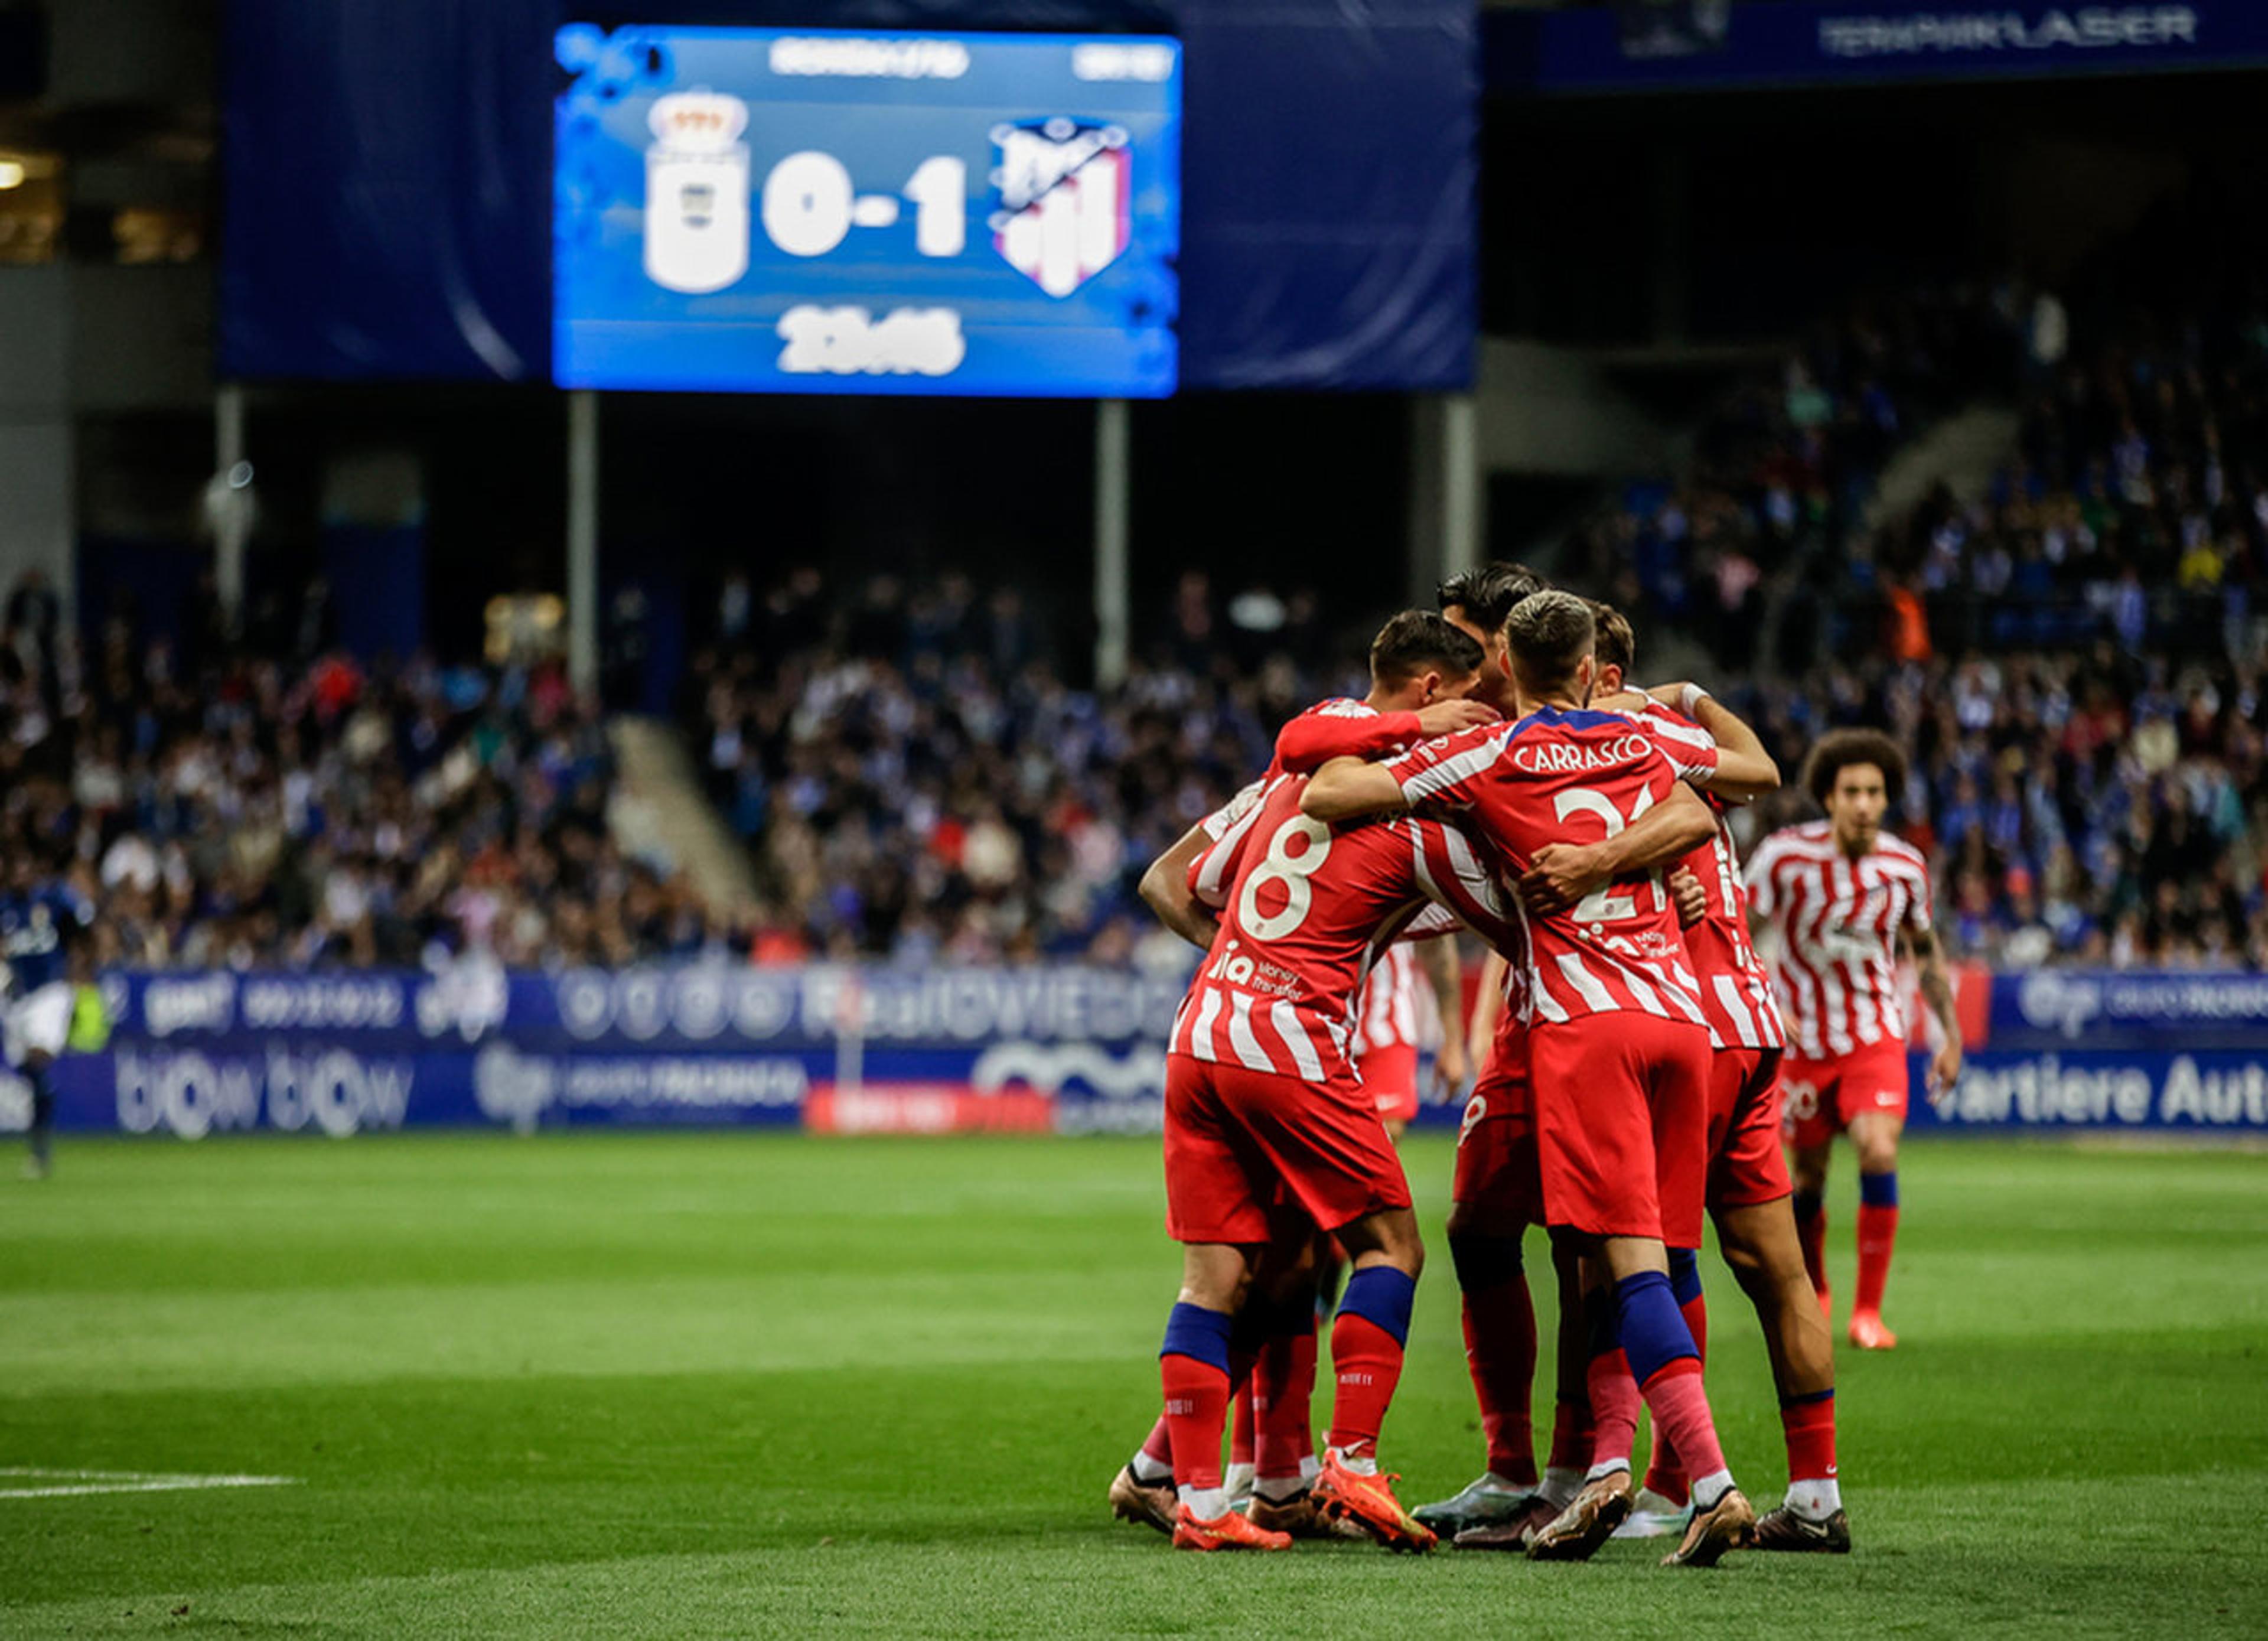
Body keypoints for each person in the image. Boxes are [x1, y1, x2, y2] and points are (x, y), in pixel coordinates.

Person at [1303, 590, 1761, 1568]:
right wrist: (1626, 849)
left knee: (1620, 1262)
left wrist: (1407, 736)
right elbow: (1734, 785)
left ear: (1506, 655)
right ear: (1595, 660)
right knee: (1664, 1260)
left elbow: (1329, 794)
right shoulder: (1645, 735)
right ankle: (1601, 1471)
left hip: (1584, 1025)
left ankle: (1697, 1481)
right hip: (1683, 1023)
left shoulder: (1491, 753)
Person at [1116, 613, 1495, 1544]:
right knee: (1389, 1246)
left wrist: (1241, 959)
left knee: (1236, 1273)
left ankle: (1206, 1491)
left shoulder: (1288, 774)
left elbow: (1176, 879)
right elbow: (1501, 896)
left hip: (1204, 1026)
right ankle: (1345, 1461)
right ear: (1433, 691)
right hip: (1291, 1038)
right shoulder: (1405, 795)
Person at [1536, 604, 1849, 1552]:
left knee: (1639, 1258)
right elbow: (1760, 769)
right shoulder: (1678, 735)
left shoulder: (1588, 744)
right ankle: (1819, 1496)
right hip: (1755, 1018)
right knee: (1779, 1268)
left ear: (1589, 670)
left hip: (1679, 1020)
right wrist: (1696, 697)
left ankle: (1665, 1481)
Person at [1746, 730, 1963, 1352]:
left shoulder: (1904, 866)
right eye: (1852, 792)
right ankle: (1816, 1289)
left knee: (1876, 1147)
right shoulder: (1785, 858)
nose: (1865, 804)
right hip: (1803, 1044)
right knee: (1807, 1180)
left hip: (1873, 1035)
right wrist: (1757, 999)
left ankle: (1868, 1312)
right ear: (1828, 797)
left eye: (1875, 792)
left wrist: (1948, 1035)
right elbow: (1735, 930)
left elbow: (1925, 953)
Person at [2, 858, 95, 1180]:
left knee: (38, 1059)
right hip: (17, 998)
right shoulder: (5, 909)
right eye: (16, 871)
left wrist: (83, 964)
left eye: (26, 870)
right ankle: (44, 1100)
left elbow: (84, 921)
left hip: (51, 992)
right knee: (25, 1067)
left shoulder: (53, 899)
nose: (21, 876)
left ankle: (40, 1150)